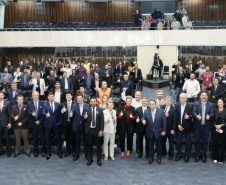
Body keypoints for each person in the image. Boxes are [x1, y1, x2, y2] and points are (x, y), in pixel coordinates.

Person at [142, 100, 166, 164]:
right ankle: (151, 158)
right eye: (150, 104)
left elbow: (164, 122)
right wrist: (143, 120)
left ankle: (159, 158)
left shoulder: (161, 111)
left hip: (159, 132)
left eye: (153, 104)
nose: (151, 105)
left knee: (159, 146)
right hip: (149, 132)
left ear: (155, 104)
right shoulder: (146, 111)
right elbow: (143, 117)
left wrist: (164, 130)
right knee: (150, 146)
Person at [193, 91, 214, 163]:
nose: (204, 97)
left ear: (207, 97)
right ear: (200, 96)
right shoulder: (196, 104)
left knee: (205, 141)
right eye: (202, 95)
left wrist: (209, 116)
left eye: (205, 95)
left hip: (206, 126)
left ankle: (204, 155)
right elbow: (194, 112)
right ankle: (197, 155)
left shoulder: (211, 105)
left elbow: (212, 113)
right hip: (197, 126)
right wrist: (197, 116)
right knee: (197, 141)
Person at [83, 97, 104, 166]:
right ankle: (90, 159)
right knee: (89, 146)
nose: (93, 102)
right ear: (90, 102)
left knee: (98, 146)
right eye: (91, 101)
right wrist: (84, 117)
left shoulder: (100, 110)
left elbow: (102, 121)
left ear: (96, 102)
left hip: (97, 131)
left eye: (94, 101)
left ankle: (99, 160)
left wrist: (101, 130)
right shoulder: (86, 109)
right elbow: (83, 119)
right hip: (89, 130)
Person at [42, 92, 63, 160]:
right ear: (48, 97)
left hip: (56, 125)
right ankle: (48, 152)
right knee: (48, 139)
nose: (51, 98)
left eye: (52, 96)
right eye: (49, 96)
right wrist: (46, 114)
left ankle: (59, 152)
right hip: (48, 125)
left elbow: (60, 114)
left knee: (58, 139)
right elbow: (43, 112)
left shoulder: (58, 104)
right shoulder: (45, 105)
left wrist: (59, 122)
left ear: (54, 97)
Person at [71, 93, 89, 161]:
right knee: (77, 141)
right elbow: (72, 112)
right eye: (78, 98)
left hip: (85, 126)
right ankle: (76, 154)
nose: (79, 99)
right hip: (76, 126)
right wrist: (71, 114)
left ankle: (87, 155)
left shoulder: (87, 105)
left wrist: (87, 117)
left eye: (80, 98)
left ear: (83, 99)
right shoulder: (74, 105)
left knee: (86, 141)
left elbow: (89, 114)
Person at [175, 93, 193, 162]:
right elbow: (175, 117)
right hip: (179, 127)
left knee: (188, 142)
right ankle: (179, 154)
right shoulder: (177, 106)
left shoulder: (190, 106)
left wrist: (189, 116)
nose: (182, 99)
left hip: (187, 127)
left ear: (186, 99)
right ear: (179, 99)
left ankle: (187, 155)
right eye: (181, 98)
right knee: (178, 142)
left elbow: (192, 115)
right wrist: (178, 125)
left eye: (184, 98)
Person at [27, 91, 46, 158]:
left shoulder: (42, 103)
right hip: (33, 124)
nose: (36, 96)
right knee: (35, 139)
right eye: (34, 95)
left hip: (41, 124)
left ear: (39, 96)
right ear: (32, 96)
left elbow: (44, 114)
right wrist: (31, 114)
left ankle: (43, 150)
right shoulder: (29, 103)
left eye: (37, 95)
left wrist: (39, 121)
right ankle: (36, 151)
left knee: (42, 138)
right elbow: (28, 112)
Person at [160, 96, 177, 161]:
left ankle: (170, 155)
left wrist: (173, 129)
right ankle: (164, 153)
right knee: (162, 142)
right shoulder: (161, 107)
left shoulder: (174, 109)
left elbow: (175, 120)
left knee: (171, 143)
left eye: (169, 100)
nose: (167, 101)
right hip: (163, 129)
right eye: (166, 100)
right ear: (165, 101)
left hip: (170, 129)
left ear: (171, 102)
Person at [61, 92, 75, 157]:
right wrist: (62, 111)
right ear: (65, 97)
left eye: (69, 95)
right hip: (66, 123)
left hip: (73, 123)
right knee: (66, 138)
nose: (68, 97)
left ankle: (73, 151)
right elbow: (59, 114)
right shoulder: (63, 104)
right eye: (67, 96)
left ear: (71, 96)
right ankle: (67, 150)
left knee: (73, 138)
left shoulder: (75, 104)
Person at [212, 99, 226, 164]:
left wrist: (221, 125)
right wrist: (216, 126)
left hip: (223, 129)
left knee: (222, 144)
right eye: (218, 102)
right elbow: (212, 120)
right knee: (215, 144)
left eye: (221, 102)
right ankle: (215, 157)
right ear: (217, 103)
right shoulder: (214, 110)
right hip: (215, 129)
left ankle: (221, 158)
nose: (220, 103)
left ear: (223, 103)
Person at [0, 91, 12, 157]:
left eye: (1, 95)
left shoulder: (7, 103)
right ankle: (1, 150)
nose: (0, 97)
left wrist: (10, 122)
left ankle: (8, 150)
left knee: (7, 138)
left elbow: (9, 114)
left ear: (4, 96)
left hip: (6, 123)